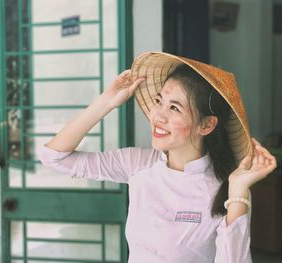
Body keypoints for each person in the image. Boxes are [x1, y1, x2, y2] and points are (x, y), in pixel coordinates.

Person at [39, 52, 277, 262]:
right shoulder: (139, 164)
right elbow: (54, 157)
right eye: (158, 101)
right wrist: (106, 102)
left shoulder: (227, 189)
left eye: (174, 108)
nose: (158, 116)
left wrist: (237, 191)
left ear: (207, 125)